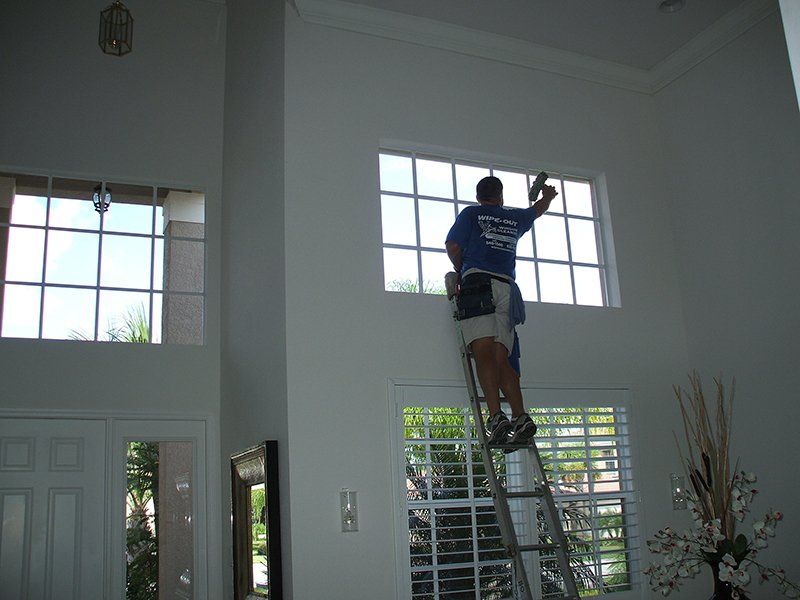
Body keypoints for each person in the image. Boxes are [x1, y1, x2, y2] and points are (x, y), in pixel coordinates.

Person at [445, 175, 558, 448]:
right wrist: (549, 195)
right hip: (507, 290)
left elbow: (453, 246)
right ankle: (520, 417)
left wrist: (461, 269)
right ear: (501, 196)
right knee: (500, 358)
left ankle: (496, 417)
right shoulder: (514, 218)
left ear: (478, 196)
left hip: (478, 285)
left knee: (482, 352)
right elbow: (538, 210)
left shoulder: (472, 213)